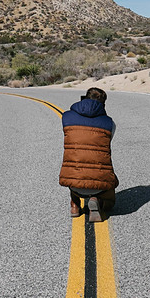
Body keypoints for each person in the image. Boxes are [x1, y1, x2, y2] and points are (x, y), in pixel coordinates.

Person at [58, 87, 118, 222]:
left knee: (75, 162)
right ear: (103, 104)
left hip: (73, 182)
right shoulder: (109, 123)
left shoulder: (66, 117)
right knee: (110, 189)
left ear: (84, 98)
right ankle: (96, 201)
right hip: (99, 186)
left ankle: (74, 205)